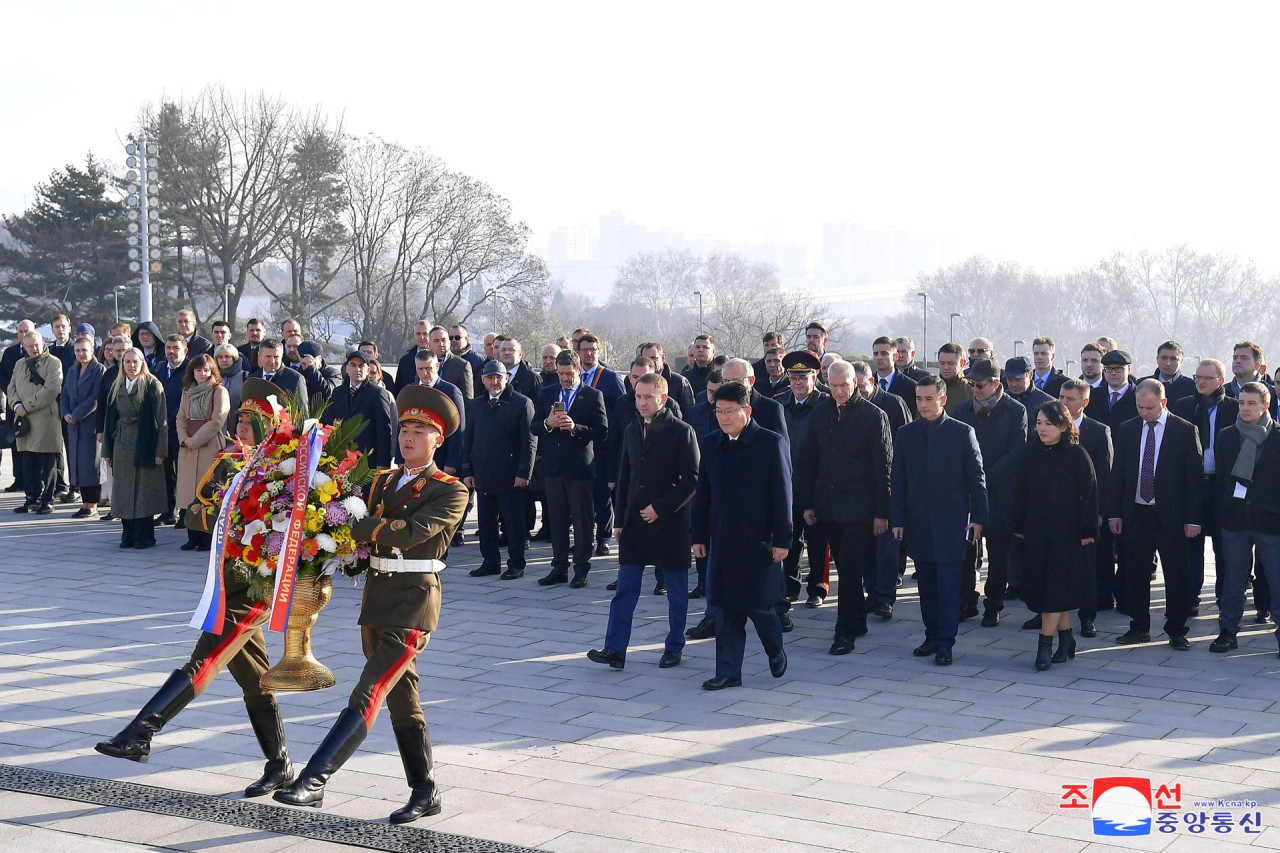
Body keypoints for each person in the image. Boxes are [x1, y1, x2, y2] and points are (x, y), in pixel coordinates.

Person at [275, 385, 468, 823]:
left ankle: (314, 779)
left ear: (439, 439)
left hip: (414, 605)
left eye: (420, 431)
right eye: (405, 428)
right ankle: (425, 790)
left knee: (369, 690)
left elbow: (407, 533)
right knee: (403, 699)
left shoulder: (449, 489)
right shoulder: (381, 479)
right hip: (377, 600)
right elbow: (361, 531)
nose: (408, 437)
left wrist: (352, 521)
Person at [96, 379, 296, 800]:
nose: (242, 426)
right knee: (256, 679)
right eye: (240, 419)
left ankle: (141, 732)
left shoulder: (285, 469)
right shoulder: (229, 462)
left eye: (252, 421)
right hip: (228, 581)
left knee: (203, 660)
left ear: (269, 426)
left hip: (255, 590)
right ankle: (279, 764)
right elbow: (202, 515)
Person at [589, 373, 699, 670]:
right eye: (638, 396)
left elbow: (691, 480)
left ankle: (674, 646)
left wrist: (661, 509)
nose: (641, 402)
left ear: (662, 398)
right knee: (626, 587)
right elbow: (626, 476)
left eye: (648, 397)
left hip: (670, 523)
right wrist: (621, 519)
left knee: (676, 592)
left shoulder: (681, 431)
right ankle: (614, 648)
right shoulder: (631, 429)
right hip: (636, 521)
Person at [691, 381, 791, 690]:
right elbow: (703, 494)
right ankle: (728, 672)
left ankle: (775, 649)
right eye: (718, 411)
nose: (723, 417)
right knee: (725, 609)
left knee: (759, 606)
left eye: (729, 411)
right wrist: (698, 536)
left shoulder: (770, 443)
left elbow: (783, 495)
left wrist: (782, 540)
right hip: (722, 538)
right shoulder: (710, 444)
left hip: (758, 539)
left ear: (746, 411)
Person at [891, 376, 988, 665]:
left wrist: (980, 519)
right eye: (919, 399)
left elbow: (977, 479)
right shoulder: (906, 434)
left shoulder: (962, 432)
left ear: (942, 400)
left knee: (948, 586)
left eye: (928, 399)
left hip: (951, 523)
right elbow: (899, 481)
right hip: (919, 523)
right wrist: (897, 518)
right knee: (927, 586)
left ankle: (946, 641)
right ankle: (931, 635)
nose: (922, 404)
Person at [798, 360, 892, 655]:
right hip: (828, 505)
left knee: (850, 570)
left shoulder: (873, 415)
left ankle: (844, 631)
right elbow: (808, 460)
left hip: (859, 508)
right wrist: (808, 504)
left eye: (844, 385)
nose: (839, 391)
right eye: (833, 385)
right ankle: (858, 619)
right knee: (843, 563)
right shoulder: (820, 413)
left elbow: (884, 467)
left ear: (855, 383)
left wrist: (882, 513)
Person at [1107, 379, 1203, 649]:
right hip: (1137, 513)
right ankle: (1138, 627)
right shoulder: (1127, 429)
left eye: (1150, 407)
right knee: (1135, 574)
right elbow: (1118, 475)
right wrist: (1115, 513)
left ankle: (1176, 629)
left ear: (1163, 403)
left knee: (1177, 575)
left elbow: (1194, 480)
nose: (1144, 412)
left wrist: (1193, 519)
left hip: (1171, 516)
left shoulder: (1184, 431)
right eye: (1140, 407)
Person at [1012, 402, 1099, 670]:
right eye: (1038, 423)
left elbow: (1091, 496)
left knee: (1054, 591)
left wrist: (1087, 530)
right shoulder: (1030, 454)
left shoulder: (1077, 455)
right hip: (1037, 533)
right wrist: (1017, 524)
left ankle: (1044, 646)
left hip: (1068, 535)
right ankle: (1067, 639)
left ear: (1063, 425)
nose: (1042, 429)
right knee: (1050, 590)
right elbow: (1019, 492)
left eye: (1048, 424)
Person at [953, 358, 1026, 626]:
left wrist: (984, 478)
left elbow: (1017, 451)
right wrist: (973, 481)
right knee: (966, 551)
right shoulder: (962, 410)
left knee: (998, 552)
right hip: (969, 494)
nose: (975, 389)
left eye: (980, 385)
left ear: (996, 384)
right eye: (971, 384)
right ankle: (966, 600)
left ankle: (993, 604)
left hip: (1000, 493)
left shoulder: (1015, 410)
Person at [1171, 359, 1244, 620]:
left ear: (1220, 380)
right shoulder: (1184, 406)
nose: (1200, 382)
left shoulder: (1234, 408)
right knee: (1191, 545)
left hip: (1221, 486)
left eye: (1207, 377)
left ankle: (1225, 599)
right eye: (1197, 377)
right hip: (1192, 486)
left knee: (1225, 547)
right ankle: (1190, 598)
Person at [1213, 382, 1280, 654]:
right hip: (1235, 520)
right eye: (1241, 402)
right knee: (1232, 580)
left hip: (1270, 521)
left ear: (1265, 405)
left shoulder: (1277, 436)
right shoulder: (1227, 435)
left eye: (1252, 403)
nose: (1245, 408)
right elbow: (1222, 481)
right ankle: (1228, 632)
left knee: (1277, 581)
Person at [531, 349, 608, 587]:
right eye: (561, 373)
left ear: (578, 371)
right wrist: (548, 423)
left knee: (583, 521)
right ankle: (559, 567)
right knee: (557, 519)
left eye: (569, 373)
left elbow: (602, 431)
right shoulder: (547, 393)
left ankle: (581, 569)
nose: (564, 378)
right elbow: (534, 427)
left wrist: (575, 428)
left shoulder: (593, 395)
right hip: (554, 469)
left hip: (579, 469)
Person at [462, 360, 536, 579]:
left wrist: (524, 473)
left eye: (499, 377)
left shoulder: (522, 403)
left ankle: (516, 563)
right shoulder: (475, 405)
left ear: (507, 379)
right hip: (483, 473)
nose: (495, 381)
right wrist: (467, 470)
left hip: (511, 475)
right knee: (486, 522)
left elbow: (529, 442)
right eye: (490, 377)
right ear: (483, 380)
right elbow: (469, 440)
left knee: (513, 523)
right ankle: (490, 561)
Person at [1055, 379, 1114, 638]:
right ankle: (1049, 612)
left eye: (1070, 399)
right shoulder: (1047, 427)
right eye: (1061, 397)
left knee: (1088, 568)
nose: (1063, 403)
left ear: (1085, 402)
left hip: (1085, 511)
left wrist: (1097, 513)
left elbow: (1105, 475)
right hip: (1054, 512)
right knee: (1053, 566)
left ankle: (1087, 617)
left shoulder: (1099, 431)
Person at [854, 359, 911, 616]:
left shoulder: (893, 404)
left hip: (890, 483)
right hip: (861, 489)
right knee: (866, 547)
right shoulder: (850, 407)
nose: (858, 393)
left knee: (887, 546)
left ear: (872, 382)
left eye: (862, 387)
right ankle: (872, 594)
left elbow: (907, 442)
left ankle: (886, 597)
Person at [777, 352, 830, 609]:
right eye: (794, 377)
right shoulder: (779, 404)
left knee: (817, 539)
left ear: (815, 376)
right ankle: (790, 586)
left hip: (817, 485)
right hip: (786, 484)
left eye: (803, 377)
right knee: (790, 538)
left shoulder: (826, 405)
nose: (798, 383)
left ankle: (817, 588)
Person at [103, 348, 168, 549]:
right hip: (122, 443)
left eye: (135, 361)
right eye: (127, 361)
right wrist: (107, 451)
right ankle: (127, 534)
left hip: (145, 442)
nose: (131, 365)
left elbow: (161, 419)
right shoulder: (117, 385)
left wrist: (160, 451)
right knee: (123, 491)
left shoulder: (152, 385)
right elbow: (109, 421)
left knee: (144, 493)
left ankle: (144, 536)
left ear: (142, 363)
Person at [577, 333, 625, 556]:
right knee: (583, 495)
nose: (589, 353)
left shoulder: (610, 377)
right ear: (578, 351)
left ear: (599, 351)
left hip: (604, 445)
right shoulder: (572, 375)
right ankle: (583, 536)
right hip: (578, 444)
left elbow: (622, 409)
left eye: (593, 350)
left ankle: (603, 538)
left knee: (602, 494)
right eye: (585, 349)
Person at [175, 354, 230, 551]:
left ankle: (207, 537)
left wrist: (196, 440)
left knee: (208, 492)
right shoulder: (187, 392)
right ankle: (192, 536)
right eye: (198, 370)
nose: (202, 374)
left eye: (206, 370)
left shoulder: (219, 391)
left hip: (209, 445)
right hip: (188, 447)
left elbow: (217, 421)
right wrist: (184, 439)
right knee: (189, 493)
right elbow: (180, 417)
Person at [8, 330, 64, 514]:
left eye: (36, 345)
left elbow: (51, 389)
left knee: (48, 463)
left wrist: (26, 405)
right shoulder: (19, 364)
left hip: (45, 420)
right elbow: (11, 387)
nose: (34, 348)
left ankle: (47, 500)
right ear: (23, 346)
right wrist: (16, 405)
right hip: (23, 420)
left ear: (43, 343)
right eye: (29, 346)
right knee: (28, 461)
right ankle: (31, 498)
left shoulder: (54, 362)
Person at [322, 351, 396, 469]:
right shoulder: (338, 393)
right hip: (340, 462)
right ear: (346, 368)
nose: (357, 369)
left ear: (367, 370)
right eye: (353, 365)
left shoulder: (378, 394)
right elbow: (326, 422)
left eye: (361, 365)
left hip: (367, 463)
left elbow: (384, 431)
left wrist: (383, 464)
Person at [61, 336, 105, 519]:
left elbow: (95, 398)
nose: (81, 354)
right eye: (78, 351)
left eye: (84, 350)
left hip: (89, 424)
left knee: (91, 465)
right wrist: (65, 413)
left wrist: (76, 414)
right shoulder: (72, 370)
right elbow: (63, 394)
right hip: (73, 425)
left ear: (92, 351)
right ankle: (84, 503)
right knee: (78, 464)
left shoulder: (99, 370)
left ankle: (93, 504)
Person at [153, 335, 190, 526]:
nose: (171, 352)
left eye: (175, 348)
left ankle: (185, 513)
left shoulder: (191, 370)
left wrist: (174, 418)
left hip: (182, 429)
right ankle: (168, 511)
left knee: (184, 473)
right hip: (161, 429)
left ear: (185, 350)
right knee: (165, 472)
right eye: (168, 348)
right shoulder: (159, 368)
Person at [0, 319, 35, 494]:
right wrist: (13, 393)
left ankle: (36, 480)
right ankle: (18, 479)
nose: (23, 335)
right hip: (13, 405)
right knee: (15, 443)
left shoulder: (39, 352)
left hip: (33, 406)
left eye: (26, 331)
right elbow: (2, 376)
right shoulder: (10, 352)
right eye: (20, 332)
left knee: (34, 444)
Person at [250, 339, 309, 419]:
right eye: (268, 356)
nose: (272, 361)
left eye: (276, 356)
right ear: (259, 355)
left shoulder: (295, 378)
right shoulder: (252, 379)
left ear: (282, 355)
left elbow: (302, 412)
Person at [1085, 349, 1138, 432]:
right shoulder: (1093, 396)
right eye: (1108, 368)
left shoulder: (1138, 397)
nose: (1113, 373)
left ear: (1129, 369)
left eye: (1118, 369)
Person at [1004, 356, 1054, 440]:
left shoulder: (1047, 403)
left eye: (1018, 379)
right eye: (1010, 380)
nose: (1014, 384)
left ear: (1030, 375)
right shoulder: (1002, 400)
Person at [872, 335, 919, 417]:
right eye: (876, 354)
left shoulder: (911, 387)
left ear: (895, 356)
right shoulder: (867, 384)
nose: (879, 357)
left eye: (884, 354)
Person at [215, 344, 248, 432]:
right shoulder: (212, 378)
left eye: (227, 356)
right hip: (216, 431)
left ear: (234, 358)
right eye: (220, 357)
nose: (224, 360)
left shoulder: (245, 377)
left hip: (238, 428)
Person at [448, 323, 485, 397]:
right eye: (451, 338)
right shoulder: (444, 359)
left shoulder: (477, 360)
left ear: (467, 339)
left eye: (457, 337)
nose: (454, 340)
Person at [936, 342, 971, 413]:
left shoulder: (970, 390)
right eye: (942, 363)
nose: (946, 367)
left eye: (951, 363)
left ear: (962, 363)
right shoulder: (931, 388)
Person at [683, 334, 717, 398]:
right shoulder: (685, 378)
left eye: (705, 347)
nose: (701, 350)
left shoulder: (721, 375)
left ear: (713, 351)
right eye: (697, 347)